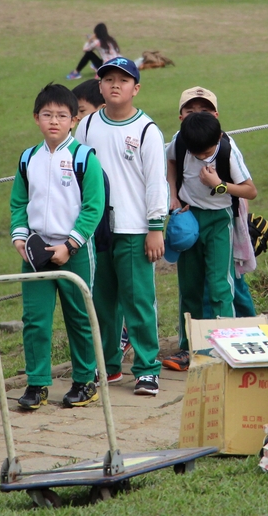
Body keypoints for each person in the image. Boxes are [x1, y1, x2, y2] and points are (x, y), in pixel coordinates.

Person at [10, 84, 105, 410]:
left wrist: (71, 244)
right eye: (47, 115)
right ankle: (36, 385)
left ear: (74, 120)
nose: (54, 121)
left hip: (74, 253)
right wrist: (20, 237)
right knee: (35, 319)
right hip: (36, 253)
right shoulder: (28, 158)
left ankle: (85, 380)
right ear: (36, 118)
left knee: (79, 316)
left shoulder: (83, 157)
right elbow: (19, 203)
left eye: (62, 115)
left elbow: (94, 206)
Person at [77, 58, 167, 395]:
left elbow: (156, 182)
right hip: (97, 230)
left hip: (134, 228)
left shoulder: (146, 130)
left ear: (136, 88)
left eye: (123, 80)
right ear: (99, 86)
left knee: (138, 301)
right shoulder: (86, 127)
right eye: (108, 79)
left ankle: (147, 369)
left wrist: (155, 226)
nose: (115, 85)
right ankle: (109, 366)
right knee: (102, 302)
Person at [162, 109, 257, 371]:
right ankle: (188, 346)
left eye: (207, 152)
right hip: (188, 218)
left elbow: (251, 190)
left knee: (219, 285)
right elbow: (170, 161)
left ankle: (225, 345)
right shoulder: (181, 142)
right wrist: (173, 195)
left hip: (218, 221)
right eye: (198, 154)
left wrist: (219, 184)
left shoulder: (226, 150)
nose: (204, 157)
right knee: (189, 286)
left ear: (219, 137)